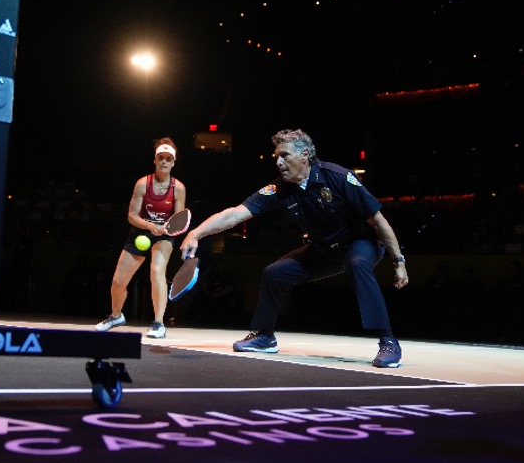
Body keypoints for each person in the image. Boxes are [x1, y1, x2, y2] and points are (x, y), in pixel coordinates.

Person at [179, 129, 410, 367]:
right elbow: (236, 214)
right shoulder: (278, 190)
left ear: (305, 155)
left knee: (357, 263)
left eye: (285, 156)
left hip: (361, 244)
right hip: (323, 250)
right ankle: (264, 336)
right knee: (274, 273)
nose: (278, 162)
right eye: (276, 157)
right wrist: (196, 233)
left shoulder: (338, 177)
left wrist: (399, 262)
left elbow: (379, 221)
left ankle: (388, 341)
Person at [96, 137, 187, 338]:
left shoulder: (178, 188)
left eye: (168, 159)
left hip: (163, 237)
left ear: (174, 162)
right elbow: (131, 216)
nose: (164, 162)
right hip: (140, 233)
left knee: (156, 272)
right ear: (155, 160)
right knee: (119, 281)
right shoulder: (142, 184)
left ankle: (158, 324)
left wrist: (165, 229)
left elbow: (178, 221)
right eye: (160, 158)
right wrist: (150, 226)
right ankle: (116, 316)